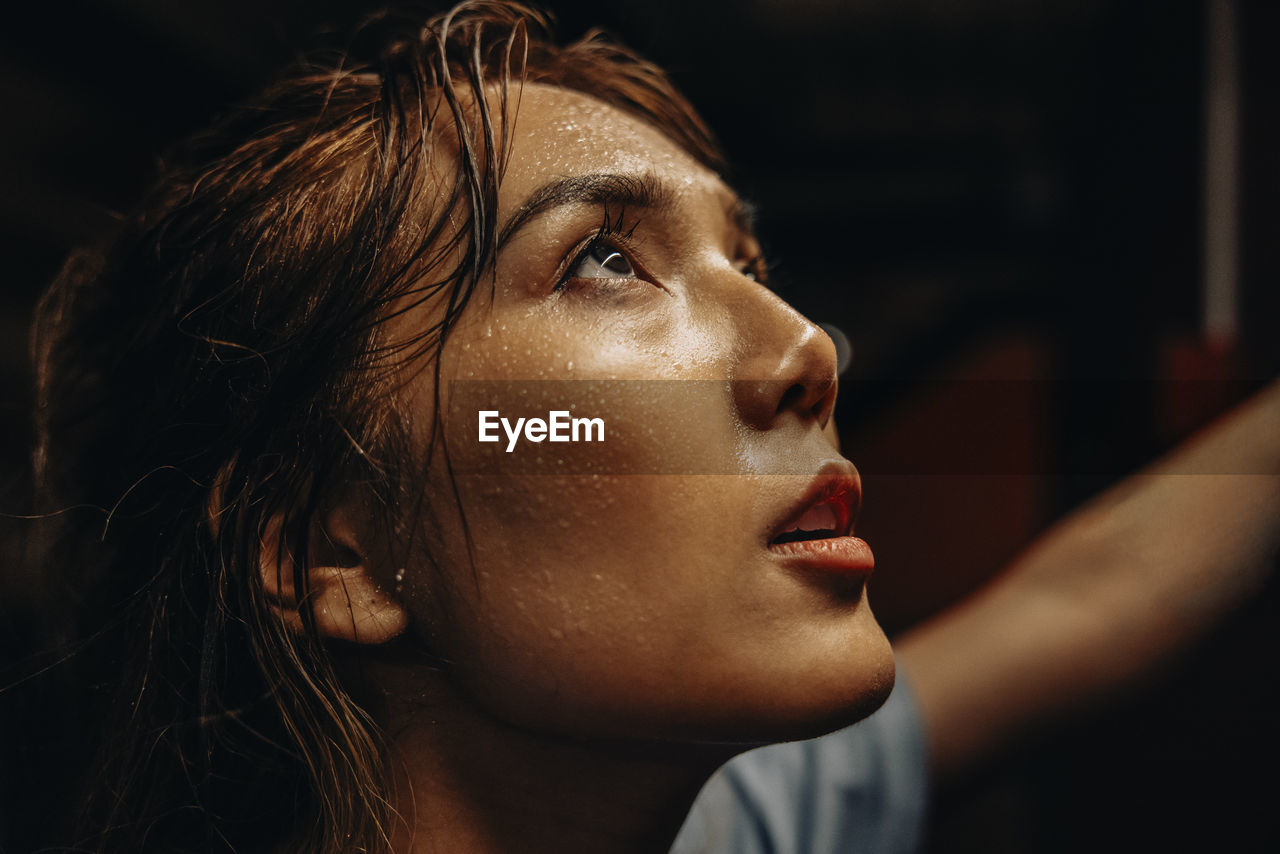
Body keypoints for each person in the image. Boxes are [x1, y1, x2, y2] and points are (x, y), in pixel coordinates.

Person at [10, 2, 1279, 852]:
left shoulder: (728, 822)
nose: (809, 349)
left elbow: (1085, 599)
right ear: (337, 551)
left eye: (749, 257)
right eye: (604, 260)